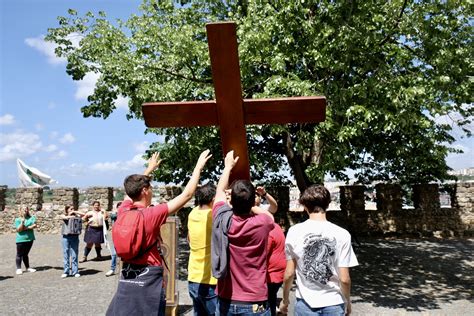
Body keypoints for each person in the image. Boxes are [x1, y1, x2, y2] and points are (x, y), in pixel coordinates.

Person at [106, 150, 211, 316]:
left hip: (128, 275)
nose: (153, 190)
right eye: (151, 188)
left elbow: (129, 192)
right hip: (149, 277)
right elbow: (187, 195)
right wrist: (198, 167)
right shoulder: (151, 214)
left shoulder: (123, 210)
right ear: (145, 191)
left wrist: (148, 170)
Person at [279, 185, 359, 316]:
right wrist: (347, 301)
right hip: (334, 303)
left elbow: (289, 273)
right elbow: (344, 279)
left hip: (305, 303)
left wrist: (285, 300)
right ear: (328, 204)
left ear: (304, 205)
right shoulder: (342, 234)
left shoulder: (294, 232)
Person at [212, 151, 275, 316]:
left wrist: (228, 167)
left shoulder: (222, 218)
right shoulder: (263, 223)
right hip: (255, 300)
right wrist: (249, 201)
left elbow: (219, 191)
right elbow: (269, 215)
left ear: (231, 200)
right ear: (253, 200)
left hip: (227, 297)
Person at [187, 183, 218, 315]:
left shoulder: (193, 213)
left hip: (193, 277)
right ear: (213, 199)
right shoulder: (213, 216)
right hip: (209, 280)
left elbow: (188, 238)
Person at [255, 187, 285, 316]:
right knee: (270, 300)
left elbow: (274, 206)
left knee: (264, 303)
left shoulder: (264, 216)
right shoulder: (269, 223)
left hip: (270, 274)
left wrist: (265, 193)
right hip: (274, 273)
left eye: (257, 195)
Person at [60, 205, 84, 278]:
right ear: (67, 210)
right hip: (66, 237)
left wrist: (75, 212)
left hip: (75, 237)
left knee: (74, 254)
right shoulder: (64, 215)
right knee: (66, 254)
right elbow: (63, 217)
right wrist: (71, 215)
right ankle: (66, 271)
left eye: (73, 208)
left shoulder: (76, 216)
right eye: (71, 209)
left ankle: (75, 271)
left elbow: (84, 214)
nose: (72, 210)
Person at [14, 206, 37, 275]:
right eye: (24, 209)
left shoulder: (31, 218)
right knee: (19, 254)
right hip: (21, 239)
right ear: (20, 210)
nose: (25, 210)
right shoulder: (17, 219)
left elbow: (34, 225)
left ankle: (28, 267)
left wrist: (25, 228)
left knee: (25, 254)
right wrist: (22, 223)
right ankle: (18, 268)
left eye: (26, 209)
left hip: (30, 238)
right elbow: (18, 230)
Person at [105, 201, 121, 277]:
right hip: (116, 235)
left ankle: (123, 269)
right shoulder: (115, 214)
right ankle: (112, 269)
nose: (120, 208)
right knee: (114, 253)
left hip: (124, 236)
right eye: (119, 206)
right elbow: (111, 216)